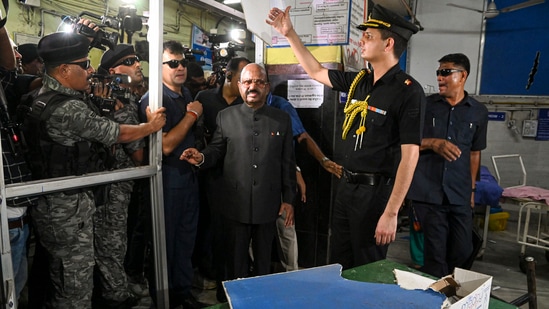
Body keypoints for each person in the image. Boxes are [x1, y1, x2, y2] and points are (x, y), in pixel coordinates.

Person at [267, 4, 425, 269]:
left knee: (368, 267)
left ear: (388, 44)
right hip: (346, 188)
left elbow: (411, 155)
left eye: (369, 36)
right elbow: (316, 71)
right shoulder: (359, 82)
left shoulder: (408, 92)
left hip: (376, 196)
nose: (361, 40)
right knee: (340, 264)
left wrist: (391, 212)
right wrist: (289, 34)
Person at [27, 31, 166, 309]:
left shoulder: (50, 96)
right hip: (65, 210)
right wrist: (151, 127)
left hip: (65, 206)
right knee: (74, 290)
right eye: (84, 65)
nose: (91, 72)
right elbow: (114, 133)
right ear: (65, 70)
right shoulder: (66, 108)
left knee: (72, 279)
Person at [181, 63, 296, 283]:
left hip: (267, 205)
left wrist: (289, 200)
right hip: (234, 205)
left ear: (267, 87)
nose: (253, 86)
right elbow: (216, 150)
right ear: (240, 85)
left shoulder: (281, 119)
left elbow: (287, 162)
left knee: (264, 264)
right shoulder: (226, 117)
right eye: (248, 82)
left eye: (258, 82)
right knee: (235, 265)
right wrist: (201, 157)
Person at [407, 53, 488, 278]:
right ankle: (437, 297)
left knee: (463, 249)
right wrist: (433, 143)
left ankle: (449, 285)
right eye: (438, 73)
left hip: (459, 192)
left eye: (446, 72)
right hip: (429, 192)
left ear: (462, 76)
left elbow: (474, 153)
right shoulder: (425, 105)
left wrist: (471, 190)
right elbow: (405, 142)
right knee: (435, 253)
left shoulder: (478, 112)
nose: (440, 77)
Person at [139, 40, 203, 308]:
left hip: (188, 178)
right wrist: (191, 116)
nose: (180, 68)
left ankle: (182, 294)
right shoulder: (154, 98)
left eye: (183, 63)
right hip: (166, 181)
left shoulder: (186, 93)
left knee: (186, 240)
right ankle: (164, 299)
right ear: (159, 66)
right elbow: (164, 146)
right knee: (166, 244)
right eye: (172, 63)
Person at [88, 44, 146, 307]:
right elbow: (138, 155)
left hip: (119, 183)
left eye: (137, 60)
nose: (137, 64)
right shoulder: (117, 101)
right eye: (129, 61)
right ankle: (115, 296)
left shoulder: (127, 95)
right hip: (112, 184)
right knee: (112, 242)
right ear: (113, 71)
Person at [0, 25, 38, 305]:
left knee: (17, 286)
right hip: (7, 213)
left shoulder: (5, 88)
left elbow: (9, 68)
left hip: (17, 209)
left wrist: (1, 26)